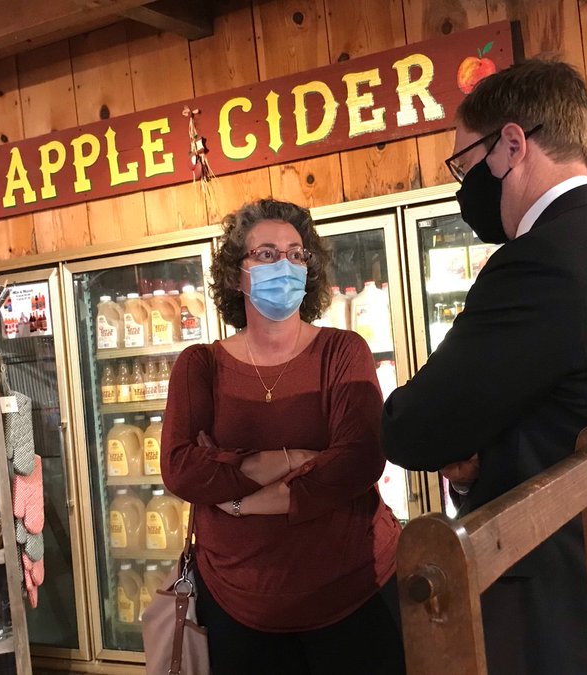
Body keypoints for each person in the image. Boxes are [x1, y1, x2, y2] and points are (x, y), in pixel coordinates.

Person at [382, 58, 587, 674]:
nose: (463, 187)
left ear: (512, 144)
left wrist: (450, 445)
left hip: (560, 618)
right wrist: (475, 462)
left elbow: (415, 428)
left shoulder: (541, 262)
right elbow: (560, 422)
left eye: (465, 165)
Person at [161, 198, 405, 675]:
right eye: (267, 254)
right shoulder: (201, 365)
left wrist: (238, 497)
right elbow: (181, 466)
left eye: (297, 254)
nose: (286, 266)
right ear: (237, 274)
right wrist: (292, 459)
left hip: (354, 592)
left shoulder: (342, 351)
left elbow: (358, 460)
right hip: (237, 604)